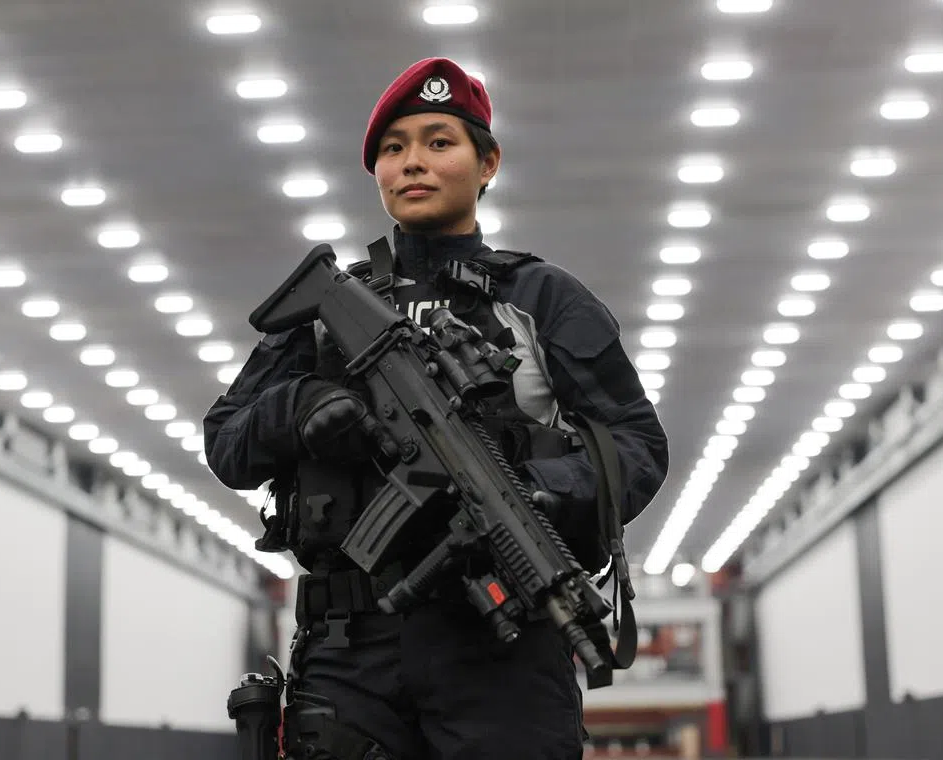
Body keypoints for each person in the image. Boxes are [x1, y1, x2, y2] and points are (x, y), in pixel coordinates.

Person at [205, 58, 669, 760]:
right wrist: (299, 408)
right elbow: (227, 441)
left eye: (439, 142)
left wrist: (535, 493)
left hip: (500, 645)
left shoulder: (542, 299)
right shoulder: (328, 310)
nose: (412, 163)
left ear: (488, 164)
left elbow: (636, 446)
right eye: (393, 150)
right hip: (348, 651)